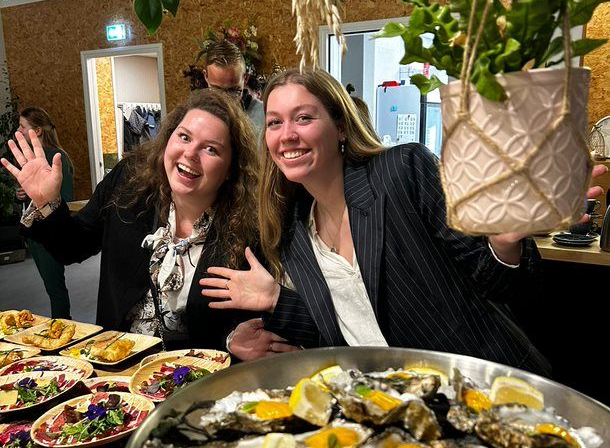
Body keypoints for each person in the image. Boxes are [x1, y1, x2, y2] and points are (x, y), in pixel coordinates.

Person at [199, 68, 607, 374]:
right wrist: (276, 300)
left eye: (303, 118)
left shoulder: (401, 171)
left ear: (340, 126)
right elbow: (346, 332)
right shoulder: (292, 233)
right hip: (397, 413)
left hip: (488, 388)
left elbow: (508, 288)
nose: (286, 134)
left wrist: (502, 244)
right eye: (274, 122)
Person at [1, 90, 259, 351]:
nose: (190, 153)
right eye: (184, 137)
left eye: (211, 149)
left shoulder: (245, 229)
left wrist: (230, 340)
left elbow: (241, 325)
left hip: (196, 369)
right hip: (116, 362)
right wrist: (48, 202)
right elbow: (72, 247)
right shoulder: (128, 183)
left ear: (230, 169)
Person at [15, 107, 74, 318]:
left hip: (49, 236)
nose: (18, 131)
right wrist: (20, 194)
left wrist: (45, 199)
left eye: (22, 126)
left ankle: (63, 329)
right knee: (52, 288)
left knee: (55, 289)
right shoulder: (31, 159)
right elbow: (30, 196)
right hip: (35, 235)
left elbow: (64, 199)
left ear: (37, 130)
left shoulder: (56, 158)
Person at [201, 41, 265, 138]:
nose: (224, 101)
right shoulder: (196, 117)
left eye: (232, 91)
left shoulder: (265, 117)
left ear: (245, 78)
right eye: (217, 90)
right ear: (206, 76)